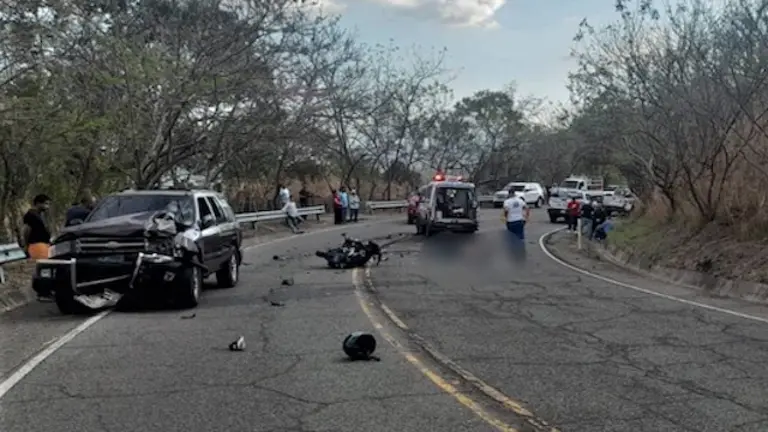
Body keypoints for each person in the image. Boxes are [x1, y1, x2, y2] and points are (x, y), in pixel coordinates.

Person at [22, 194, 52, 261]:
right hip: (36, 246)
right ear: (38, 203)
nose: (47, 207)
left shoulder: (39, 215)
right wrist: (26, 245)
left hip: (43, 246)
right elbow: (26, 231)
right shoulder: (31, 215)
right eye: (46, 204)